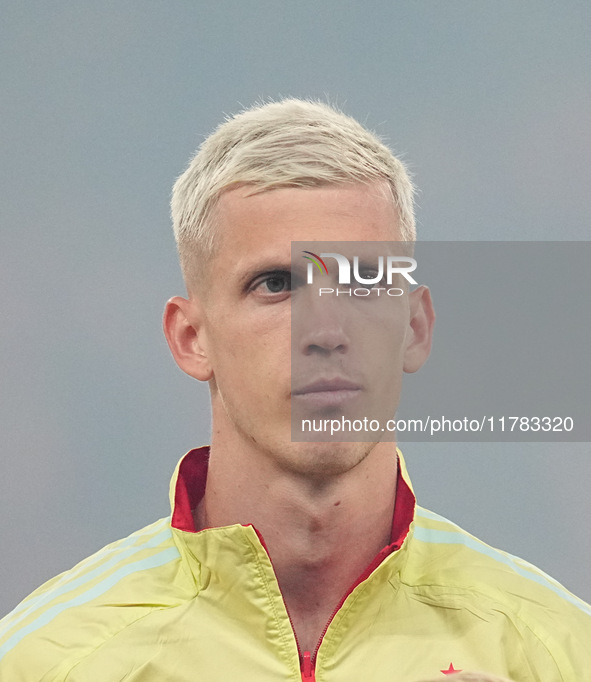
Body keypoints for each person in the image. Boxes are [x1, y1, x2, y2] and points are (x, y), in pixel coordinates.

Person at [0, 99, 589, 682]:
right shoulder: (47, 662)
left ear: (414, 328)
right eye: (276, 284)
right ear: (190, 337)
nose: (327, 333)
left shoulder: (559, 651)